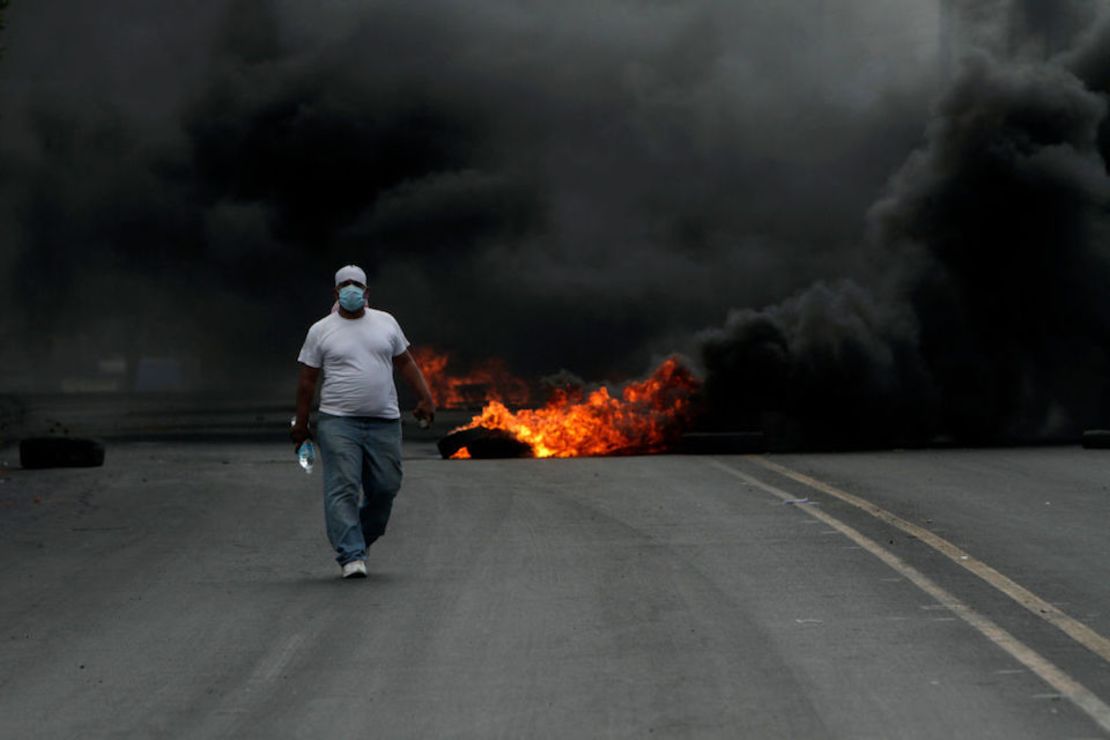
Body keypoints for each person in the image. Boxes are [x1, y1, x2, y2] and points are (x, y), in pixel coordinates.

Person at [291, 265, 436, 579]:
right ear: (336, 292)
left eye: (357, 284)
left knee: (386, 487)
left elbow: (406, 363)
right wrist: (301, 424)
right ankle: (351, 555)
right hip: (338, 422)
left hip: (384, 421)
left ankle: (358, 537)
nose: (351, 289)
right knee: (342, 487)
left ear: (367, 292)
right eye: (345, 285)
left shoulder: (386, 323)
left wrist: (426, 397)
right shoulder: (321, 330)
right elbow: (307, 381)